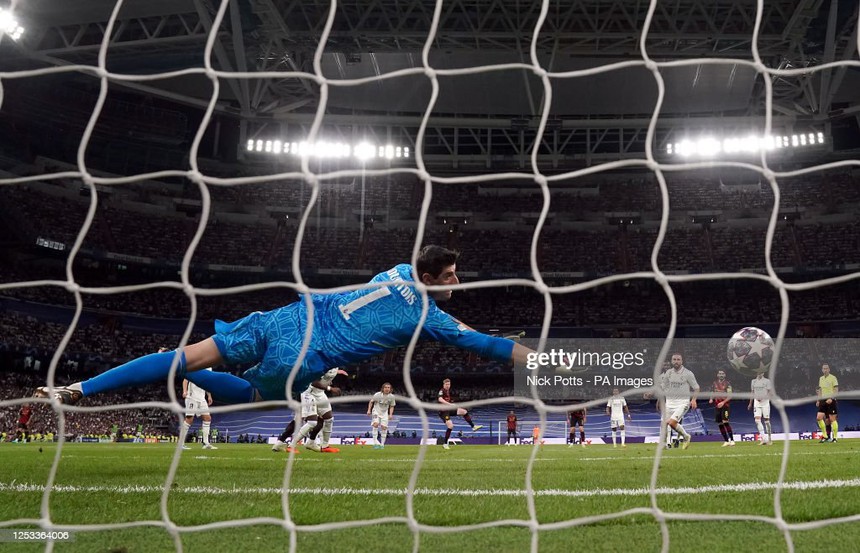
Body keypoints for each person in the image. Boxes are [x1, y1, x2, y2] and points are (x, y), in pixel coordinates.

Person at [35, 246, 534, 406]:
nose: (458, 280)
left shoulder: (400, 271)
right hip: (300, 355)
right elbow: (486, 345)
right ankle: (183, 378)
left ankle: (75, 388)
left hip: (288, 316)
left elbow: (438, 305)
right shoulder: (428, 315)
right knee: (251, 398)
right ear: (428, 278)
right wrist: (538, 359)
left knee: (185, 355)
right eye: (449, 276)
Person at [296, 367, 347, 453]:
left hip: (320, 393)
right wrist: (330, 389)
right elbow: (313, 382)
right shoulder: (323, 364)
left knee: (328, 419)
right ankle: (292, 444)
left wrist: (337, 371)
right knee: (311, 423)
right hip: (310, 394)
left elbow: (328, 375)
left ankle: (324, 446)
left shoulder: (334, 365)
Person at [660, 353, 699, 450]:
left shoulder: (688, 373)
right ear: (671, 361)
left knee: (672, 423)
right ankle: (666, 444)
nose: (676, 361)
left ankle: (686, 436)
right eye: (674, 359)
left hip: (682, 403)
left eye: (678, 359)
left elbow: (696, 388)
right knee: (664, 424)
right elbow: (662, 387)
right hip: (669, 403)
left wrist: (693, 400)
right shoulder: (668, 373)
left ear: (682, 361)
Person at [437, 378, 484, 450]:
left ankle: (473, 427)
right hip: (443, 412)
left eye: (449, 384)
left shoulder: (447, 391)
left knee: (464, 412)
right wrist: (449, 404)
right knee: (450, 426)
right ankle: (445, 444)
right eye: (446, 384)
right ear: (443, 384)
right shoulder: (442, 391)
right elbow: (440, 399)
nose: (448, 385)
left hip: (449, 409)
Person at [182, 368, 217, 450]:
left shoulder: (209, 368)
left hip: (201, 398)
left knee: (207, 418)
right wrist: (185, 391)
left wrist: (209, 395)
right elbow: (186, 380)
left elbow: (207, 384)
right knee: (189, 419)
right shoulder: (195, 365)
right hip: (192, 396)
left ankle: (206, 443)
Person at [709, 369, 735, 447]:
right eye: (719, 373)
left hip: (725, 406)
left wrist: (723, 402)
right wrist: (711, 398)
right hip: (717, 406)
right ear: (717, 375)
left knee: (725, 421)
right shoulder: (714, 383)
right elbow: (712, 392)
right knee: (720, 423)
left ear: (725, 375)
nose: (721, 375)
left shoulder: (728, 384)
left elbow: (730, 396)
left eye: (722, 373)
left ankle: (732, 440)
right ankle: (726, 441)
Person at [367, 382, 396, 449]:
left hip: (384, 413)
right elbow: (371, 402)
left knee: (384, 427)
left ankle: (382, 444)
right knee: (376, 424)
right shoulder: (377, 395)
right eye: (385, 387)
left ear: (390, 389)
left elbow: (392, 406)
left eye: (388, 387)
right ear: (383, 388)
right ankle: (375, 444)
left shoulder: (392, 397)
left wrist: (390, 414)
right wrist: (369, 410)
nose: (387, 389)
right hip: (376, 412)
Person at [816, 363, 839, 443]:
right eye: (824, 368)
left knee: (832, 419)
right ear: (822, 370)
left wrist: (831, 398)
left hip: (831, 400)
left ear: (829, 369)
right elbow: (820, 390)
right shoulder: (821, 378)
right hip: (823, 400)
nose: (825, 370)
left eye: (826, 368)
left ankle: (835, 438)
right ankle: (825, 436)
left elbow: (836, 390)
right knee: (819, 417)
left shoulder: (833, 378)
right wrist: (818, 400)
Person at [748, 372, 773, 445]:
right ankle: (764, 439)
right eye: (759, 372)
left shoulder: (767, 381)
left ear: (763, 373)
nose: (760, 373)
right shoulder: (753, 381)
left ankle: (769, 438)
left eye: (761, 372)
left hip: (765, 402)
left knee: (767, 421)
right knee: (757, 420)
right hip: (757, 402)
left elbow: (770, 392)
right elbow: (752, 392)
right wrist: (750, 403)